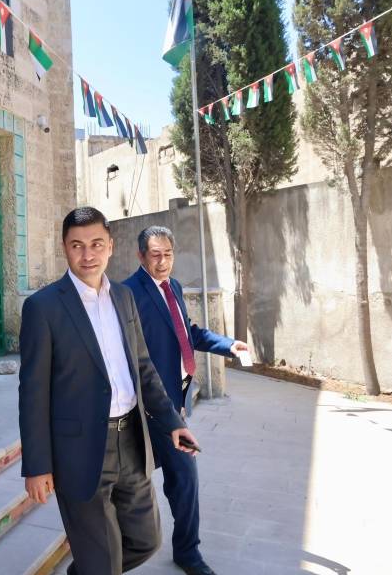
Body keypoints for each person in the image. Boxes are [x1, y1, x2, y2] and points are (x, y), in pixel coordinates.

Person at [19, 206, 200, 575]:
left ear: (111, 246)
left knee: (146, 540)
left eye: (96, 244)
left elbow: (144, 368)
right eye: (77, 245)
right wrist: (37, 466)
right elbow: (33, 393)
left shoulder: (123, 297)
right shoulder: (43, 307)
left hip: (132, 442)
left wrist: (172, 422)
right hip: (80, 451)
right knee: (102, 561)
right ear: (64, 248)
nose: (88, 255)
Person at [123, 226, 249, 575]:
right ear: (141, 256)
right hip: (151, 408)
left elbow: (187, 333)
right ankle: (183, 553)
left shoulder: (173, 287)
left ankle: (185, 551)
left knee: (181, 479)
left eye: (168, 254)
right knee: (180, 477)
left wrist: (228, 345)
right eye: (155, 254)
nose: (163, 261)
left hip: (175, 404)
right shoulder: (128, 293)